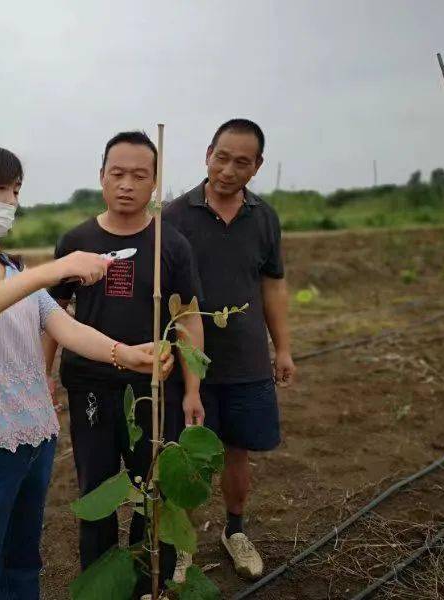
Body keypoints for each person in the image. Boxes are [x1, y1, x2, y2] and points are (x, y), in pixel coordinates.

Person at [0, 139, 174, 600]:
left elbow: (65, 328)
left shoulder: (13, 269)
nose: (11, 201)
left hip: (35, 438)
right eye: (1, 190)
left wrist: (126, 353)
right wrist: (49, 272)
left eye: (16, 190)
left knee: (21, 566)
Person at [43, 131, 204, 591]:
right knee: (95, 490)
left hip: (156, 389)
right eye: (118, 173)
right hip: (91, 385)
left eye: (139, 175)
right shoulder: (76, 243)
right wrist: (44, 376)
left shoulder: (171, 245)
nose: (127, 184)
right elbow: (51, 316)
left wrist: (192, 389)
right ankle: (96, 583)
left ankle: (145, 582)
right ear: (101, 177)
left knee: (153, 488)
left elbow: (189, 318)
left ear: (155, 182)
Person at [162, 119, 296, 580]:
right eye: (222, 157)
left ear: (257, 166)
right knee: (187, 455)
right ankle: (181, 546)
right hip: (187, 363)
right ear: (207, 154)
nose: (228, 170)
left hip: (246, 361)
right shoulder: (173, 217)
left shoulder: (265, 218)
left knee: (238, 453)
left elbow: (272, 286)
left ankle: (234, 531)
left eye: (242, 162)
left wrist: (282, 349)